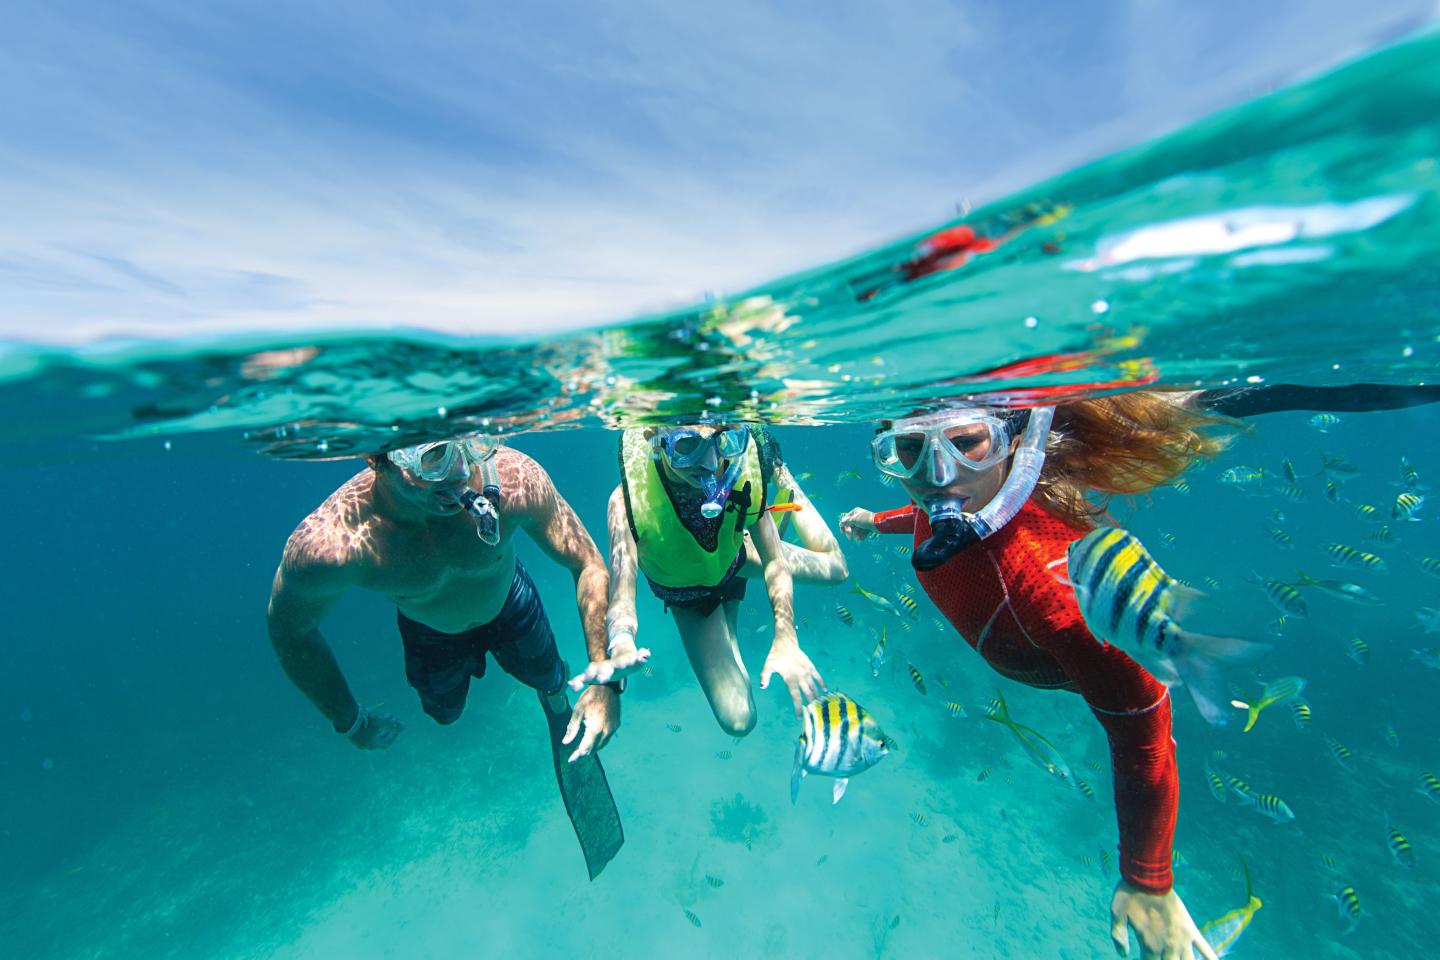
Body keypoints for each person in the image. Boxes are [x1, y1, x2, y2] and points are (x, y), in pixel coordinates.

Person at [840, 393, 1232, 960]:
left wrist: (1149, 880)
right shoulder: (958, 495)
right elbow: (934, 516)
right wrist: (878, 522)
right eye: (907, 449)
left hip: (1060, 667)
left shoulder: (1055, 594)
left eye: (967, 442)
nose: (936, 474)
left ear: (1015, 440)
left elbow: (1143, 730)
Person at [265, 436, 628, 880]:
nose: (460, 473)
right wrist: (349, 719)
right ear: (376, 458)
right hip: (429, 631)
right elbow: (289, 631)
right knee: (445, 714)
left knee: (549, 677)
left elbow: (588, 562)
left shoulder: (512, 480)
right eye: (433, 457)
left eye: (468, 446)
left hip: (507, 597)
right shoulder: (337, 542)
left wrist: (603, 676)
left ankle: (555, 699)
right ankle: (546, 691)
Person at [576, 420, 847, 734]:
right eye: (687, 446)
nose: (711, 463)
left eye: (723, 442)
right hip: (690, 597)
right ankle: (729, 600)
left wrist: (786, 634)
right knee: (739, 719)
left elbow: (775, 563)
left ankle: (781, 471)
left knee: (837, 568)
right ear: (656, 438)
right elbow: (623, 591)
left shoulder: (742, 473)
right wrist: (622, 640)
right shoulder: (625, 503)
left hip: (735, 552)